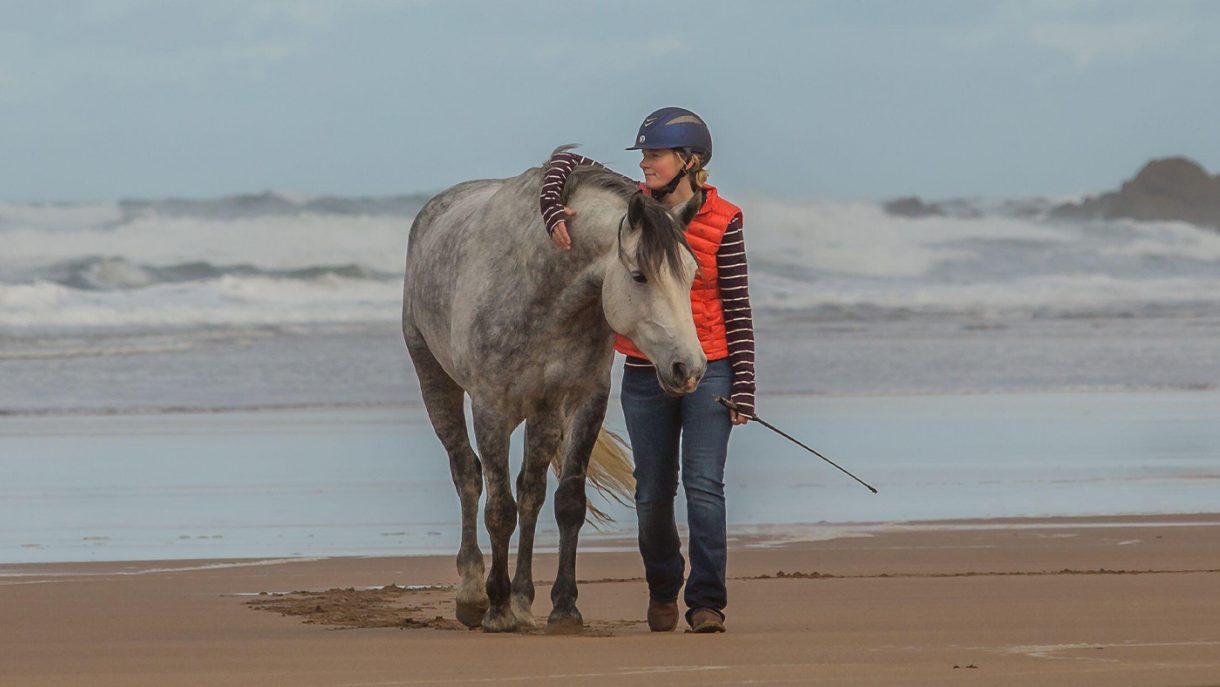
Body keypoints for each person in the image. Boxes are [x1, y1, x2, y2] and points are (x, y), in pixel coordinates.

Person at [538, 107, 756, 634]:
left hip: (713, 369)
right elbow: (563, 162)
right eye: (645, 155)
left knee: (704, 487)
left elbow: (737, 304)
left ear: (689, 161)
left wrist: (745, 383)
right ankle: (663, 585)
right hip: (642, 370)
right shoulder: (633, 209)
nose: (647, 163)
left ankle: (707, 603)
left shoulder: (724, 219)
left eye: (655, 155)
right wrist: (551, 213)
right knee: (653, 492)